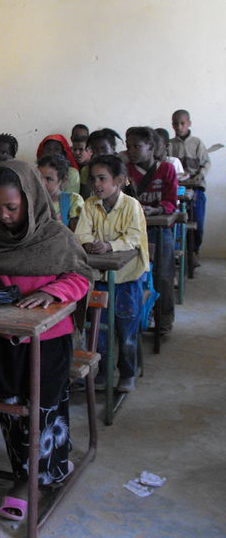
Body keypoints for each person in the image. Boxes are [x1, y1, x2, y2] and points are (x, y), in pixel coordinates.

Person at [0, 160, 91, 521]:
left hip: (49, 339)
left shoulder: (56, 237)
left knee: (44, 408)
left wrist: (52, 292)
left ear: (32, 199)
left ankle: (33, 481)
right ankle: (28, 472)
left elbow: (81, 276)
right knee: (11, 407)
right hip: (6, 338)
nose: (4, 215)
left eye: (12, 206)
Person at [75, 155, 149, 392]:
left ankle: (127, 371)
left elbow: (134, 237)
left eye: (102, 179)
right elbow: (81, 235)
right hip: (100, 279)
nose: (96, 184)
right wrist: (89, 244)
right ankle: (104, 373)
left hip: (127, 278)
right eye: (93, 179)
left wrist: (109, 246)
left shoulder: (131, 205)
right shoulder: (89, 205)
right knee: (100, 333)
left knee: (126, 330)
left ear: (119, 180)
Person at [125, 126, 178, 333]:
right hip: (132, 231)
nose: (132, 150)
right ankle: (133, 316)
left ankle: (164, 318)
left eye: (137, 146)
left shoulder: (166, 170)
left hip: (158, 228)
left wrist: (155, 209)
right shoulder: (125, 171)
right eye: (128, 146)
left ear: (151, 147)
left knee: (163, 275)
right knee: (131, 275)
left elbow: (171, 202)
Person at [169, 109, 210, 265]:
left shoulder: (197, 143)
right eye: (175, 124)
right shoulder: (170, 145)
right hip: (177, 189)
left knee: (197, 222)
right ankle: (181, 254)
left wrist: (197, 177)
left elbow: (206, 164)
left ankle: (194, 251)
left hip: (196, 188)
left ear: (189, 124)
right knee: (178, 224)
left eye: (182, 123)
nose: (178, 127)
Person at [37, 154, 84, 230]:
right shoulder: (33, 200)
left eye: (48, 179)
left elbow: (76, 234)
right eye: (39, 177)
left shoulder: (73, 200)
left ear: (63, 180)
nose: (41, 183)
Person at [70, 124, 92, 198]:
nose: (76, 153)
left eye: (81, 149)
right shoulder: (69, 162)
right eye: (74, 149)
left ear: (90, 150)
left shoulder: (95, 166)